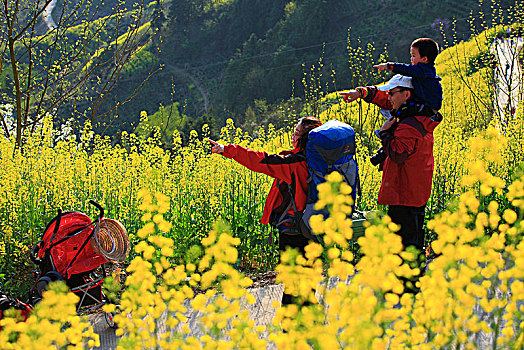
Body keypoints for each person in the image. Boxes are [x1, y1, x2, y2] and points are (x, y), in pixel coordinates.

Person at [340, 75, 442, 294]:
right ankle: (412, 281)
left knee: (404, 240)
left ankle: (407, 287)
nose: (389, 97)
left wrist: (384, 134)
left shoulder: (408, 125)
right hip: (415, 187)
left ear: (406, 95)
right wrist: (361, 93)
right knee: (412, 236)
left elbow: (397, 153)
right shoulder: (415, 114)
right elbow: (383, 99)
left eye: (392, 93)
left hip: (404, 190)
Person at [208, 116, 323, 306]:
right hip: (315, 225)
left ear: (304, 139)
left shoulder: (294, 164)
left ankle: (291, 325)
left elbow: (261, 161)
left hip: (294, 228)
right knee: (308, 277)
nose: (293, 136)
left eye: (296, 133)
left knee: (293, 281)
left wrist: (228, 150)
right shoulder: (320, 161)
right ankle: (310, 322)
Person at [373, 37, 443, 112]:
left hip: (428, 106)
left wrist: (388, 65)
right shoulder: (427, 70)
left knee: (402, 110)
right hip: (428, 104)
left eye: (413, 56)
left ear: (424, 59)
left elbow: (405, 69)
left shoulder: (422, 71)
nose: (411, 59)